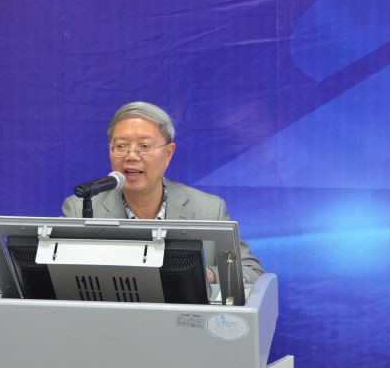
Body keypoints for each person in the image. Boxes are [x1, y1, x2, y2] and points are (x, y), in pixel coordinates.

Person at [62, 101, 264, 284]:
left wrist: (206, 275)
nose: (131, 156)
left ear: (168, 153)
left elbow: (252, 273)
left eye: (144, 146)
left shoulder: (209, 209)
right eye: (121, 146)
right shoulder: (81, 208)